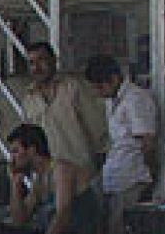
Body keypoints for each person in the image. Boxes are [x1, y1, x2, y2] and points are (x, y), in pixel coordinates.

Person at [84, 54, 157, 234]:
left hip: (132, 176)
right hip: (114, 174)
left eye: (100, 87)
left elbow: (147, 142)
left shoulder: (136, 99)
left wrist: (150, 174)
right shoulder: (113, 101)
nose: (99, 93)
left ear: (114, 80)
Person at [20, 41, 107, 189]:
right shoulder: (29, 100)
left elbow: (99, 131)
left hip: (83, 176)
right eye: (32, 63)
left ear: (54, 60)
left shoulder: (74, 88)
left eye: (42, 60)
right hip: (50, 181)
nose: (37, 67)